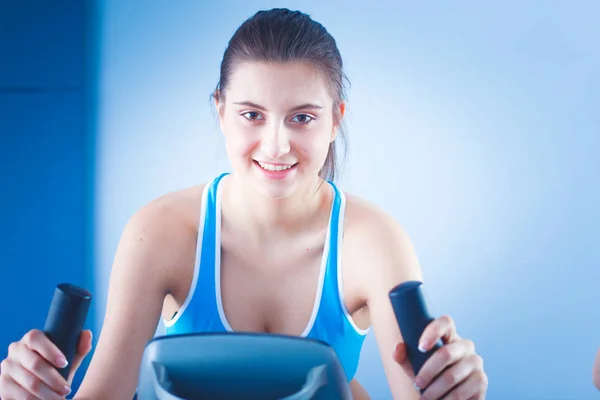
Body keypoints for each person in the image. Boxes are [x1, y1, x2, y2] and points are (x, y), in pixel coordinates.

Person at [0, 8, 488, 400]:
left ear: (336, 119)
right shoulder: (162, 232)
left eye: (302, 117)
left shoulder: (373, 243)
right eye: (252, 114)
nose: (275, 146)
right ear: (220, 111)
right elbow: (104, 395)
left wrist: (454, 387)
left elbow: (422, 395)